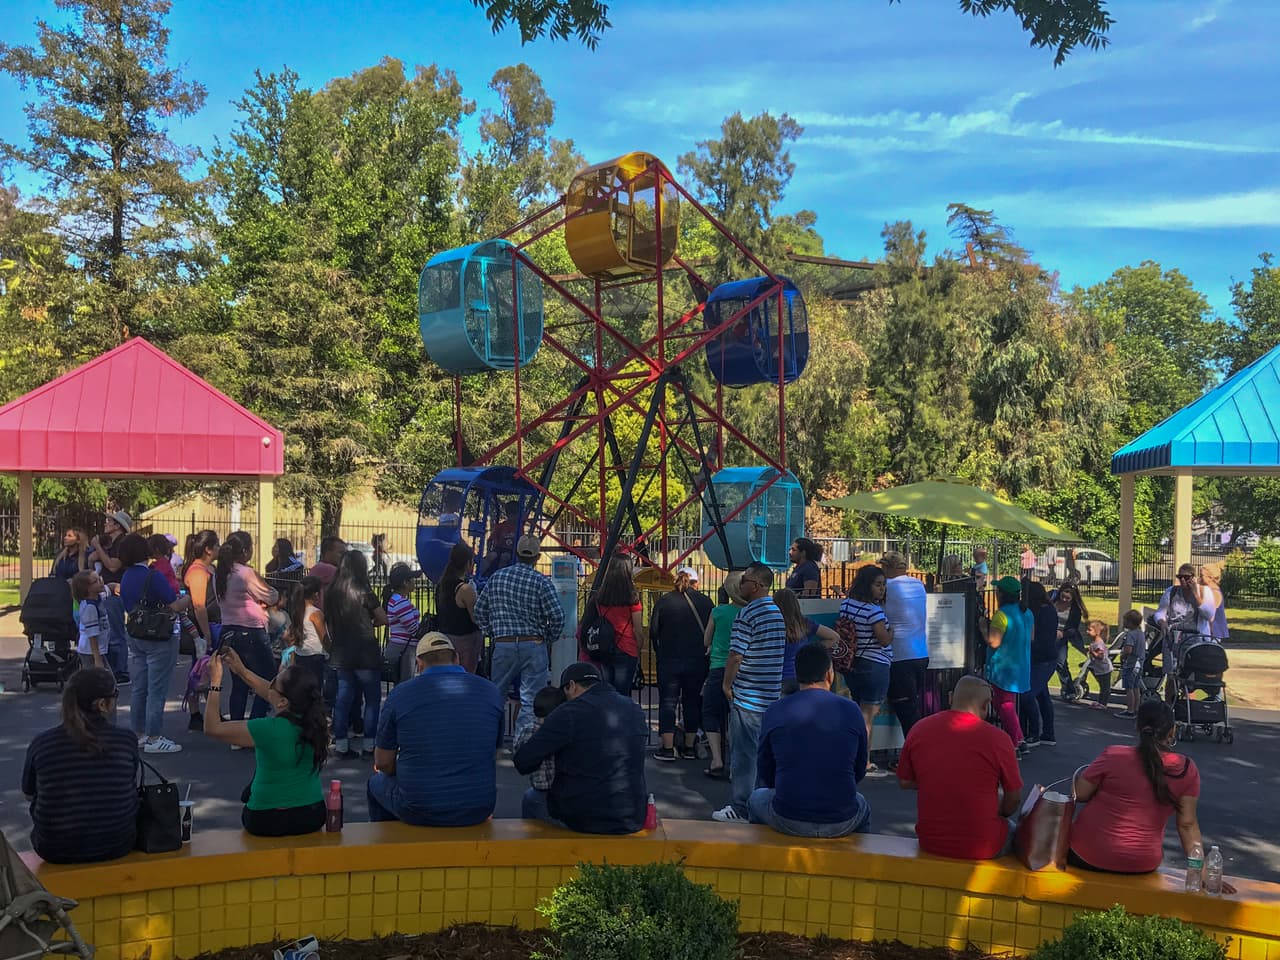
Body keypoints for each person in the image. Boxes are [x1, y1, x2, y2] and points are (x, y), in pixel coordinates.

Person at [368, 633, 504, 826]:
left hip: (420, 807)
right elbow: (494, 751)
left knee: (375, 784)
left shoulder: (401, 694)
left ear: (419, 663)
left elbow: (382, 762)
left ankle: (387, 848)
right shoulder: (491, 691)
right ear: (456, 658)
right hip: (479, 805)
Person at [1069, 701, 1207, 876]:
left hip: (1087, 854)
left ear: (1137, 726)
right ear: (1172, 731)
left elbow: (1079, 793)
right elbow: (1187, 825)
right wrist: (1200, 872)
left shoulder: (1114, 755)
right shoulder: (1186, 769)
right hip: (1142, 863)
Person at [749, 642, 871, 837]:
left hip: (788, 816)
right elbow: (859, 767)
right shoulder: (851, 710)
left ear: (797, 676)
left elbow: (765, 768)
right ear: (829, 675)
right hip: (842, 818)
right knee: (861, 803)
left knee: (756, 798)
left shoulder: (775, 710)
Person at [204, 648, 329, 836]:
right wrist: (241, 670)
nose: (269, 686)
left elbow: (212, 727)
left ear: (283, 702)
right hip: (313, 814)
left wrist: (215, 683)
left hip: (267, 818)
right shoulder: (318, 722)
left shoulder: (268, 729)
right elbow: (273, 694)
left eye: (273, 683)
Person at [514, 662, 649, 834]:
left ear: (571, 686)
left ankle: (541, 855)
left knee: (532, 798)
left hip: (584, 817)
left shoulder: (569, 712)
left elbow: (523, 761)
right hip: (632, 814)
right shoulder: (633, 708)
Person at [896, 676, 1023, 860]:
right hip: (983, 845)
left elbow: (905, 781)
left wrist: (937, 779)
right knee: (1015, 830)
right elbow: (1014, 798)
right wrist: (1001, 812)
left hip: (930, 841)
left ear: (950, 698)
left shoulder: (919, 729)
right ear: (986, 705)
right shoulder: (999, 739)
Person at [22, 668, 138, 863]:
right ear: (102, 704)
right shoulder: (125, 740)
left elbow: (29, 793)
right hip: (117, 844)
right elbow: (129, 785)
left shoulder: (42, 743)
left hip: (54, 848)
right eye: (115, 695)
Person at [712, 562, 786, 823]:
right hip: (769, 695)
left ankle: (741, 807)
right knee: (764, 755)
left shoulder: (748, 614)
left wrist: (727, 685)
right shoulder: (776, 613)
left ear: (755, 585)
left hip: (747, 696)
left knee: (743, 755)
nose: (740, 584)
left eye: (744, 579)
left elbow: (736, 655)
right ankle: (762, 804)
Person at [473, 535, 564, 738]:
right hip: (533, 643)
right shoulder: (541, 582)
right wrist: (548, 638)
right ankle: (522, 742)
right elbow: (557, 616)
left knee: (496, 694)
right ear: (538, 557)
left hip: (504, 644)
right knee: (531, 698)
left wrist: (492, 631)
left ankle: (492, 740)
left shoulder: (497, 577)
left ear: (516, 553)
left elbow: (479, 610)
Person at [119, 532, 191, 754]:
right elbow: (174, 604)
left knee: (140, 687)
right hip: (159, 636)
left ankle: (138, 732)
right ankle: (154, 736)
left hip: (136, 633)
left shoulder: (126, 576)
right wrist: (187, 598)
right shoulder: (154, 576)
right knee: (157, 688)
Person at [326, 548, 387, 758]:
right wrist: (371, 622)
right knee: (371, 699)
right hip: (365, 651)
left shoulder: (333, 590)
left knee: (343, 698)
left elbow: (330, 622)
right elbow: (382, 617)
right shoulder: (362, 589)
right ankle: (370, 744)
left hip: (342, 650)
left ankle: (341, 743)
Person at [650, 566, 715, 761]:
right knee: (692, 702)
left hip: (669, 659)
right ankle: (689, 746)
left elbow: (653, 632)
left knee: (667, 702)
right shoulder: (706, 602)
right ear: (696, 583)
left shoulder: (664, 602)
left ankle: (668, 748)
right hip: (697, 660)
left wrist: (660, 652)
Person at [216, 531, 279, 726]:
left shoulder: (220, 573)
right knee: (267, 679)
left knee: (239, 683)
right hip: (251, 631)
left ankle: (235, 729)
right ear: (245, 551)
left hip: (228, 630)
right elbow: (271, 596)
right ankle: (255, 724)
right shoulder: (246, 573)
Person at [836, 564, 893, 774]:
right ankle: (863, 760)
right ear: (867, 585)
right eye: (878, 585)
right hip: (875, 665)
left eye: (883, 585)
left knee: (858, 711)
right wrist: (892, 631)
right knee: (868, 715)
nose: (882, 589)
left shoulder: (846, 605)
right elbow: (884, 640)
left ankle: (851, 755)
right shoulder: (873, 611)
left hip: (853, 664)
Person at [701, 573, 745, 779]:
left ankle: (717, 759)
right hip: (743, 668)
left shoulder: (718, 612)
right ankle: (737, 762)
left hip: (719, 665)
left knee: (710, 711)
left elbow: (706, 639)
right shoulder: (748, 612)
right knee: (737, 715)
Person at [880, 551, 928, 738]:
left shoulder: (887, 587)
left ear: (888, 567)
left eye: (883, 567)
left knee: (907, 712)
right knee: (912, 707)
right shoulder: (918, 584)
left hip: (899, 656)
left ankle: (916, 755)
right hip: (920, 653)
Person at [1153, 563, 1217, 701]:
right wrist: (1162, 622)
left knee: (1189, 677)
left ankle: (1188, 706)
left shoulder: (1205, 592)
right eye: (1179, 577)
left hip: (1195, 640)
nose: (1182, 580)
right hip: (1173, 638)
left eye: (1186, 577)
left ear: (1193, 578)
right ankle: (1170, 706)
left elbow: (1209, 615)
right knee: (1171, 675)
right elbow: (1159, 613)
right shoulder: (1171, 592)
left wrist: (1196, 594)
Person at [586, 557, 646, 697]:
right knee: (623, 693)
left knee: (607, 690)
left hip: (605, 646)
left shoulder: (601, 595)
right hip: (626, 647)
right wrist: (639, 646)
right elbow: (638, 629)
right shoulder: (632, 597)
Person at [985, 576, 1031, 755]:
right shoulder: (1027, 613)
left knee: (1004, 704)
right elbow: (1031, 636)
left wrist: (983, 627)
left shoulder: (1001, 615)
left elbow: (994, 642)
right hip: (1021, 663)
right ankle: (1019, 738)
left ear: (1001, 594)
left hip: (1003, 666)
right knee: (1003, 702)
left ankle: (1015, 741)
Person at [513, 685, 567, 821]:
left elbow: (518, 752)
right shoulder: (562, 730)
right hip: (560, 788)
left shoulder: (528, 730)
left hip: (539, 788)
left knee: (530, 806)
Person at [772, 587, 839, 694]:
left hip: (777, 680)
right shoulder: (805, 623)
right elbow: (834, 637)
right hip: (802, 678)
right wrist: (811, 649)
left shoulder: (770, 625)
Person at [91, 510, 131, 682]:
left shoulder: (122, 543)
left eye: (110, 521)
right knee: (109, 631)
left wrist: (98, 547)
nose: (106, 523)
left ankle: (120, 672)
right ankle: (114, 668)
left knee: (116, 631)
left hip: (116, 591)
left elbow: (113, 566)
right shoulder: (113, 544)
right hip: (107, 590)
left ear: (117, 526)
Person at [436, 542, 482, 673]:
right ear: (468, 563)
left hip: (446, 639)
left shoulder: (441, 586)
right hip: (465, 643)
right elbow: (476, 618)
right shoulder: (465, 589)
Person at [1023, 581, 1058, 748]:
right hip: (1044, 658)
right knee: (1042, 695)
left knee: (1027, 695)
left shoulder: (1041, 613)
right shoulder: (1048, 610)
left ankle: (1034, 733)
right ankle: (1049, 733)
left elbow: (1037, 638)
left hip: (1042, 659)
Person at [383, 563, 422, 683]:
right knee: (405, 684)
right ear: (405, 583)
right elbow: (413, 630)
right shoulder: (401, 602)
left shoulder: (395, 599)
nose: (414, 582)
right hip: (405, 649)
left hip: (399, 646)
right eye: (412, 580)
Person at [286, 577, 327, 689]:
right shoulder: (315, 613)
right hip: (315, 654)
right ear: (316, 594)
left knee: (303, 688)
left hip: (301, 653)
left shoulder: (298, 611)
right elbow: (323, 636)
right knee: (315, 688)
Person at [1050, 582, 1088, 699]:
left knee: (1061, 663)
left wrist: (1063, 634)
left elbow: (1073, 629)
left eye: (1068, 598)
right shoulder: (1052, 598)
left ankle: (1068, 689)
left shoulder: (1075, 610)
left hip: (1060, 638)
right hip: (1046, 634)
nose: (1065, 600)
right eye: (1063, 596)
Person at [71, 570, 108, 671]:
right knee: (97, 681)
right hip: (90, 652)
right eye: (95, 581)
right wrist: (97, 658)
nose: (100, 581)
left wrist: (115, 587)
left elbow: (109, 589)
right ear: (87, 589)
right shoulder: (90, 608)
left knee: (105, 680)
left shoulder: (99, 597)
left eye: (99, 578)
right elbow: (92, 635)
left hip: (98, 650)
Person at [1075, 619, 1114, 710]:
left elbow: (1100, 656)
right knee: (1102, 686)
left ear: (1096, 632)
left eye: (1089, 630)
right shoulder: (1094, 642)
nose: (1087, 632)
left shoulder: (1099, 644)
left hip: (1104, 669)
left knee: (1105, 687)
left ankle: (1103, 703)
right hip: (1099, 668)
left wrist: (1092, 652)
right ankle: (1100, 702)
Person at [1118, 609, 1146, 720]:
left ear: (1129, 622)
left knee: (1129, 688)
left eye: (1125, 620)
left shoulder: (1131, 634)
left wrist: (1123, 655)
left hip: (1131, 664)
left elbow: (1128, 649)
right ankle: (1136, 708)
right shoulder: (1141, 634)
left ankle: (1130, 710)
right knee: (1136, 687)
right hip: (1140, 663)